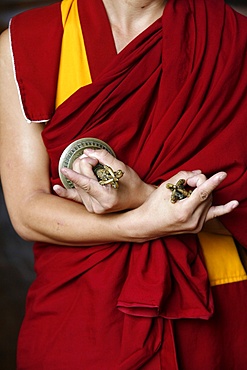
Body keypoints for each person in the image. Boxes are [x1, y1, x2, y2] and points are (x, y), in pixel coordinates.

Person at [0, 0, 246, 368]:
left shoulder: (232, 40)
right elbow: (27, 211)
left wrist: (142, 195)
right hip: (81, 306)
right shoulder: (26, 43)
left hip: (211, 305)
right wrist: (142, 223)